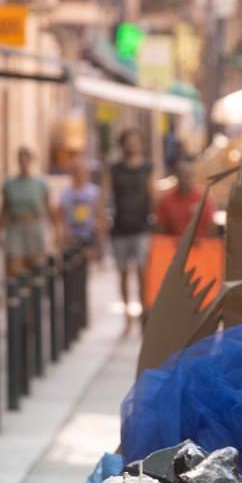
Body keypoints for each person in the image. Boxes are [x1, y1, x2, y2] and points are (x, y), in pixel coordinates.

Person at [105, 129, 155, 331]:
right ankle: (127, 315)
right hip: (120, 226)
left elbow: (152, 195)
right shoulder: (114, 169)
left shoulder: (147, 168)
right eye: (129, 142)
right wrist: (101, 218)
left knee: (143, 273)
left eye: (136, 141)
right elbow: (105, 194)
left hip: (142, 226)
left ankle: (144, 311)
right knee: (123, 273)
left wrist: (157, 221)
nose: (133, 145)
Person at [0, 146, 60, 277]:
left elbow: (49, 207)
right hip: (15, 226)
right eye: (21, 159)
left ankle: (34, 297)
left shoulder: (40, 183)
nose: (23, 162)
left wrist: (57, 230)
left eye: (26, 158)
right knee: (13, 269)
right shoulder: (9, 183)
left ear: (31, 160)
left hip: (34, 227)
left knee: (36, 268)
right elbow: (4, 209)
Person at [58, 158, 105, 262]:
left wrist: (99, 240)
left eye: (81, 171)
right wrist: (61, 235)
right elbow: (61, 215)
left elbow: (100, 215)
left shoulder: (94, 192)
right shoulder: (65, 193)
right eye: (75, 171)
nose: (78, 174)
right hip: (71, 236)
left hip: (88, 235)